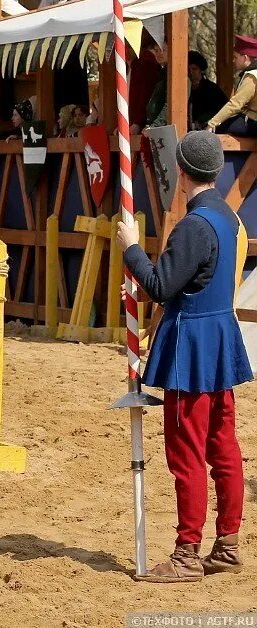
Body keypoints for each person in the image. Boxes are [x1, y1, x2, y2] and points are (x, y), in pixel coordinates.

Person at [114, 131, 251, 581]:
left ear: (182, 171)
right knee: (222, 446)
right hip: (217, 338)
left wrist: (131, 248)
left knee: (187, 451)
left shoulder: (194, 225)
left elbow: (162, 286)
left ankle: (188, 554)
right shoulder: (229, 217)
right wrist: (145, 279)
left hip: (193, 345)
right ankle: (228, 544)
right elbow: (190, 281)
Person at [207, 35, 257, 136]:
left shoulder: (252, 77)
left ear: (245, 58)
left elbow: (236, 104)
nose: (233, 60)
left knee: (219, 130)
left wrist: (212, 123)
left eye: (235, 57)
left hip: (253, 121)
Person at [189, 51, 227, 130]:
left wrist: (202, 120)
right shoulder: (183, 89)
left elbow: (222, 109)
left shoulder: (212, 89)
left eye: (194, 69)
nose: (191, 72)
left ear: (201, 70)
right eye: (188, 69)